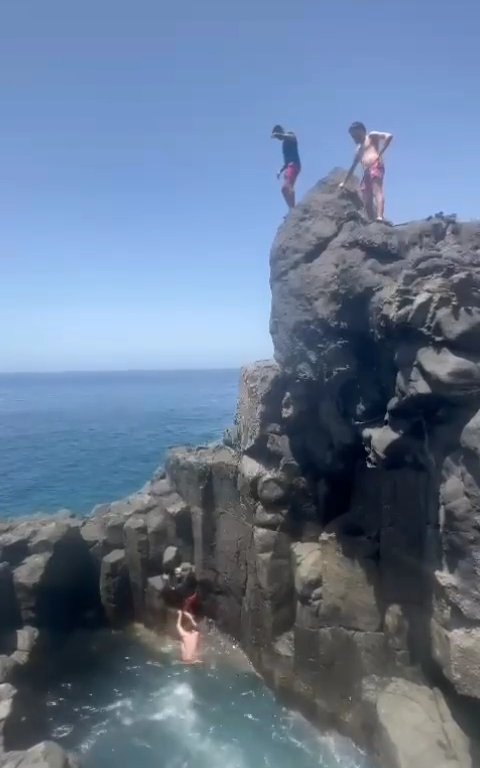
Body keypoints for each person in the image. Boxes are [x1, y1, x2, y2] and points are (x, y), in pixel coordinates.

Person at [339, 122, 393, 221]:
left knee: (377, 191)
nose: (354, 138)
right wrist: (344, 182)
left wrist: (381, 152)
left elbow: (389, 136)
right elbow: (353, 167)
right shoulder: (358, 150)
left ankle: (380, 216)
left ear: (362, 131)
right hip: (366, 172)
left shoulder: (371, 136)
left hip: (376, 165)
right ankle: (372, 220)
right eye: (353, 136)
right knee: (367, 199)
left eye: (356, 135)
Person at [271, 125, 301, 211]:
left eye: (277, 135)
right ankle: (291, 208)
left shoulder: (290, 135)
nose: (278, 138)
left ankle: (293, 209)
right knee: (285, 189)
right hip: (289, 166)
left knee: (286, 187)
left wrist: (280, 135)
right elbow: (286, 161)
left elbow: (292, 137)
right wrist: (280, 170)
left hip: (294, 164)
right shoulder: (284, 145)